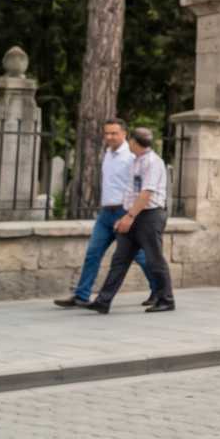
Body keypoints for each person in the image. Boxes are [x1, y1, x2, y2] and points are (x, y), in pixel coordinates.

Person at [54, 118, 146, 308]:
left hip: (123, 211)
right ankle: (81, 295)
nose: (110, 137)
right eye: (107, 133)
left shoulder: (130, 157)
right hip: (105, 214)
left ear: (124, 134)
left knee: (140, 256)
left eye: (114, 133)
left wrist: (131, 214)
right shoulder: (108, 153)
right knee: (92, 254)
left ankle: (161, 290)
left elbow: (140, 187)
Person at [85, 127, 176, 314]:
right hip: (133, 215)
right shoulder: (136, 161)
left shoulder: (152, 162)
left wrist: (130, 216)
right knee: (120, 259)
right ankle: (103, 301)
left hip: (149, 216)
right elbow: (131, 191)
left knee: (154, 258)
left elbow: (146, 193)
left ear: (134, 142)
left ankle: (166, 299)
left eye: (130, 142)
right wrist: (124, 215)